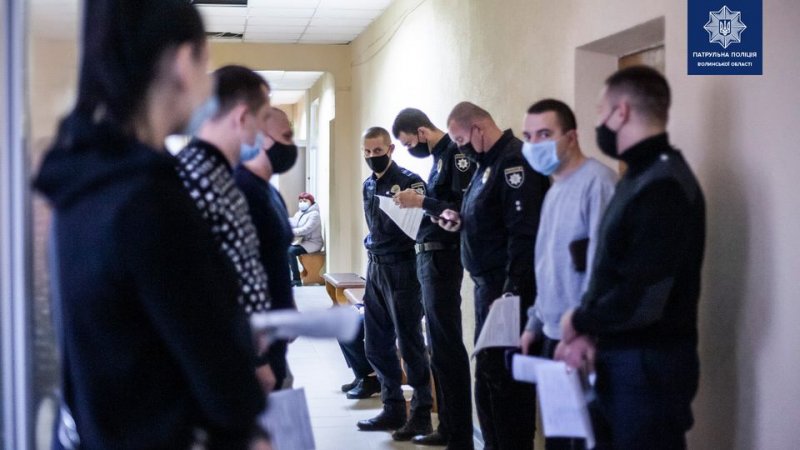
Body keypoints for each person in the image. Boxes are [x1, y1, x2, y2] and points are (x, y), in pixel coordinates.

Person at [33, 1, 266, 448]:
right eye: (205, 61)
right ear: (183, 61)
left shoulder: (80, 185)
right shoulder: (150, 201)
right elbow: (223, 383)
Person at [556, 66, 706, 450]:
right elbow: (613, 269)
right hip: (622, 361)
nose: (598, 123)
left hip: (648, 370)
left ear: (620, 112)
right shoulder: (637, 177)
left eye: (599, 111)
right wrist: (590, 333)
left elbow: (643, 298)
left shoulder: (664, 185)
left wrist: (580, 320)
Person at [435, 102, 550, 450]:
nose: (460, 149)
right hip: (488, 289)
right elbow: (489, 219)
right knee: (488, 379)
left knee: (505, 383)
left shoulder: (514, 162)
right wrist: (460, 222)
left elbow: (522, 235)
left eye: (460, 140)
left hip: (507, 291)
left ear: (478, 129)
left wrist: (511, 293)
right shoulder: (486, 166)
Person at [517, 99, 616, 450]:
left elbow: (603, 269)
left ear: (571, 137)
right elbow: (548, 266)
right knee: (559, 440)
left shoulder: (598, 183)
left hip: (585, 343)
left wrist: (583, 332)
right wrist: (534, 323)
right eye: (528, 136)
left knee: (588, 440)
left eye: (545, 134)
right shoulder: (553, 191)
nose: (534, 144)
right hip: (552, 338)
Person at [175, 65, 279, 393]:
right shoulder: (197, 178)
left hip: (238, 354)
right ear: (242, 117)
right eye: (263, 119)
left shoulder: (221, 176)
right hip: (218, 363)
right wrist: (253, 361)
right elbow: (196, 289)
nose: (266, 133)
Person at [391, 108, 476, 448]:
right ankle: (448, 427)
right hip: (429, 255)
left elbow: (459, 207)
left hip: (443, 256)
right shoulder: (439, 159)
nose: (410, 149)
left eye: (408, 143)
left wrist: (420, 201)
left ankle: (460, 435)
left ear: (422, 132)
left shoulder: (454, 156)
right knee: (438, 349)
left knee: (447, 347)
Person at [356, 127, 433, 440]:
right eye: (367, 152)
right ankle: (392, 408)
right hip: (375, 268)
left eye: (378, 151)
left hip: (402, 269)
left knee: (410, 343)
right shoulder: (368, 185)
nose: (372, 157)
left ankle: (422, 414)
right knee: (375, 343)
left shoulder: (411, 182)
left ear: (390, 149)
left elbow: (425, 223)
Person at [235, 107, 301, 390]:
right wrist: (256, 358)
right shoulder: (240, 190)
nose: (291, 145)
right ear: (262, 139)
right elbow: (237, 273)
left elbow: (276, 258)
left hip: (276, 332)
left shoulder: (271, 192)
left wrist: (290, 306)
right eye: (286, 136)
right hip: (255, 343)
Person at [288, 192, 324, 286]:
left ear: (311, 202)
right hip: (304, 242)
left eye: (305, 201)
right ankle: (288, 277)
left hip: (314, 243)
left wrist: (290, 231)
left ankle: (296, 279)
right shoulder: (300, 213)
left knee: (290, 251)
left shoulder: (314, 214)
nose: (302, 203)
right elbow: (293, 222)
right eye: (300, 201)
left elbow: (306, 229)